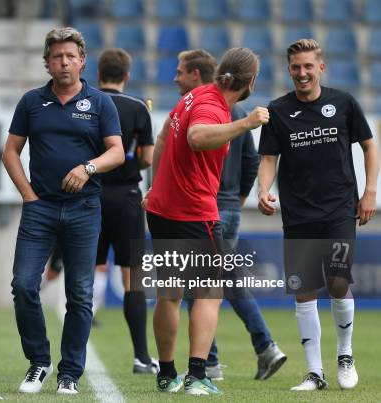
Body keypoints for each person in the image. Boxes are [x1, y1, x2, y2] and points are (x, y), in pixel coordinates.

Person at [2, 27, 124, 395]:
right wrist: (27, 194)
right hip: (40, 209)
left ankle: (70, 372)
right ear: (47, 62)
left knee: (80, 294)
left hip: (85, 209)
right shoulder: (31, 102)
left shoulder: (100, 102)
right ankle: (39, 362)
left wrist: (88, 168)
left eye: (71, 56)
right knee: (24, 285)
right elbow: (10, 152)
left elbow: (117, 152)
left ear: (83, 61)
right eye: (57, 56)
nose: (64, 62)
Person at [143, 47, 268, 395]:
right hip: (194, 213)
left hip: (162, 209)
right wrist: (245, 123)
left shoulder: (194, 95)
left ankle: (167, 374)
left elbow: (164, 134)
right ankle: (197, 375)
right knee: (209, 294)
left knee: (168, 294)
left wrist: (156, 186)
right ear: (250, 82)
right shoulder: (213, 106)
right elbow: (196, 138)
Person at [257, 39, 378, 391]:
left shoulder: (343, 103)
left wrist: (370, 191)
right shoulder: (278, 111)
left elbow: (370, 145)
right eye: (296, 67)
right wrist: (263, 190)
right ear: (288, 69)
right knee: (304, 290)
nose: (302, 73)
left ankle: (345, 354)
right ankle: (315, 373)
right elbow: (268, 159)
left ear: (320, 67)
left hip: (340, 208)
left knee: (339, 281)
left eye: (308, 66)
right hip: (298, 215)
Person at [175, 49, 287, 381]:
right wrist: (237, 201)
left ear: (199, 75)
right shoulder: (233, 109)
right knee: (222, 281)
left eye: (181, 72)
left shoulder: (211, 109)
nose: (176, 77)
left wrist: (230, 201)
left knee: (202, 285)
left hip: (207, 208)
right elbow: (252, 161)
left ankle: (230, 356)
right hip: (226, 208)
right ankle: (256, 349)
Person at [93, 48, 157, 374]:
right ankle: (142, 357)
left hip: (90, 195)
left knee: (84, 272)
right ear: (127, 76)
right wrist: (130, 159)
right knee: (133, 277)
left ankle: (70, 355)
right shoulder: (137, 107)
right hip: (127, 197)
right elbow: (148, 158)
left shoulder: (87, 103)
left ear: (98, 72)